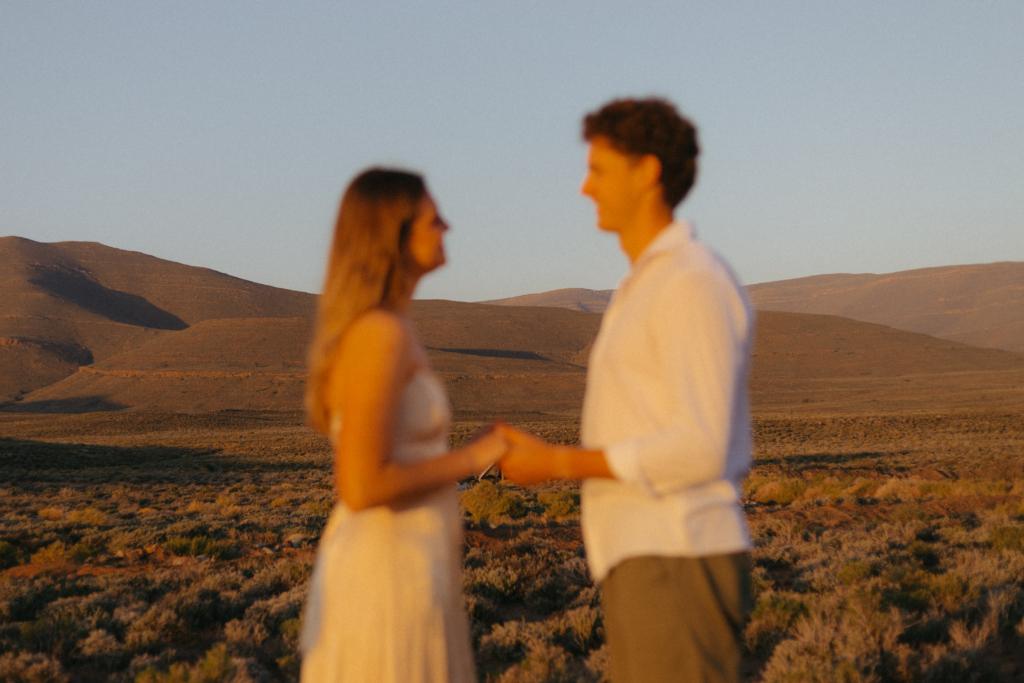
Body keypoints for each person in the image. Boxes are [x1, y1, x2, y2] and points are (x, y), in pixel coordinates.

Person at [498, 98, 754, 682]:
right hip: (647, 556)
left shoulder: (691, 281)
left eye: (599, 169)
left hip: (678, 552)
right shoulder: (646, 285)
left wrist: (559, 462)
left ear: (648, 172)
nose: (585, 188)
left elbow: (701, 446)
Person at [299, 168, 506, 682]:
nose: (448, 228)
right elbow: (362, 484)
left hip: (413, 560)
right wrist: (475, 458)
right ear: (394, 234)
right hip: (385, 570)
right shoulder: (378, 335)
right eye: (434, 220)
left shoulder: (392, 329)